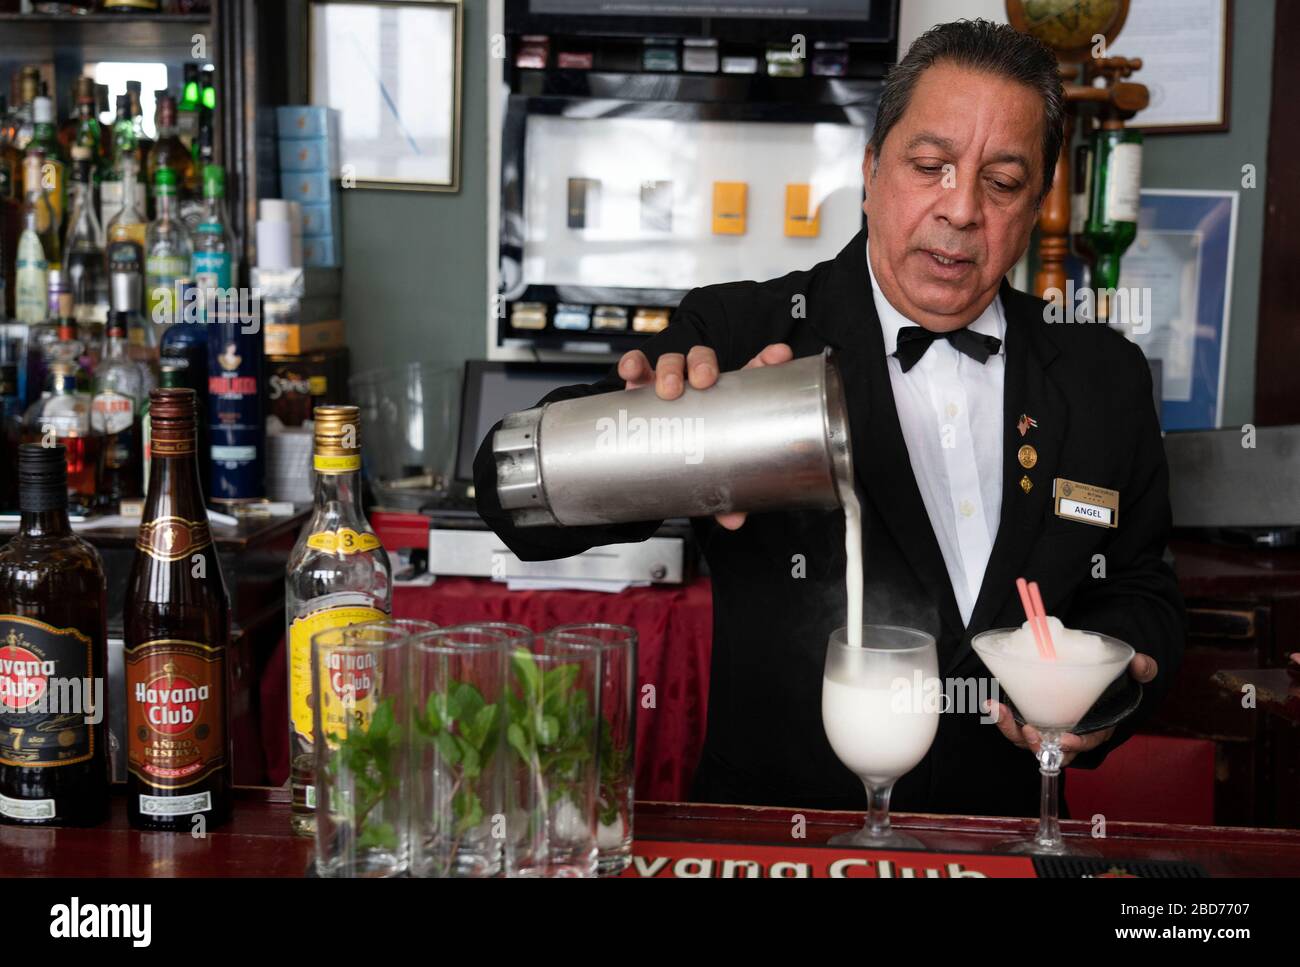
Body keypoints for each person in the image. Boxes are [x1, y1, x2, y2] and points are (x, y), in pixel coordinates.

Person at [475, 19, 1185, 816]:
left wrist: (1101, 693)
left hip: (1003, 835)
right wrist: (663, 439)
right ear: (872, 167)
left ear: (1036, 201)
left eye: (1002, 182)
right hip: (784, 833)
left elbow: (1140, 593)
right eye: (930, 166)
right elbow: (512, 502)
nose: (960, 209)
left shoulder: (1102, 379)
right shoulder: (742, 337)